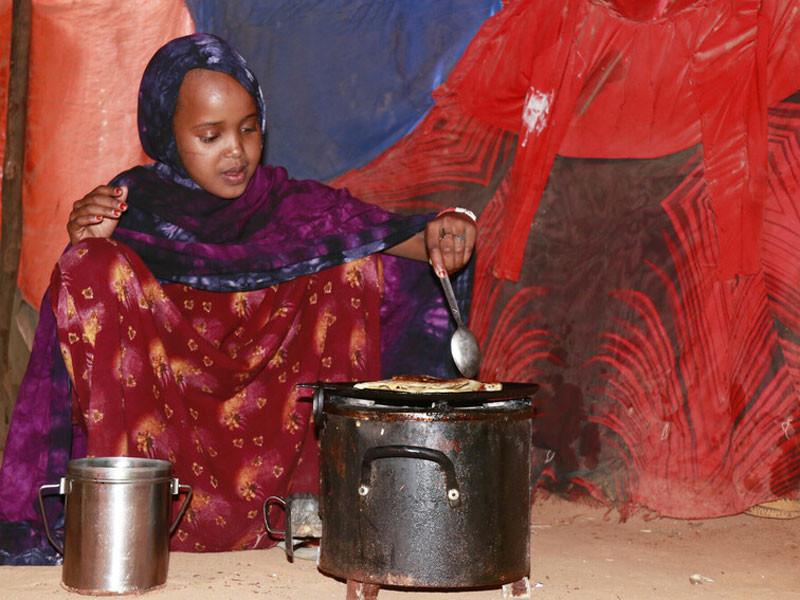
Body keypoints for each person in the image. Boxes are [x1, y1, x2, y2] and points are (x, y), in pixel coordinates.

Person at [0, 33, 476, 562]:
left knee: (353, 262)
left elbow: (382, 233)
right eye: (210, 135)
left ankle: (330, 501)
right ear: (166, 134)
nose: (236, 152)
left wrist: (446, 229)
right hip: (166, 441)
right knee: (87, 265)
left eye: (249, 130)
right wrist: (89, 242)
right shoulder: (130, 207)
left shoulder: (285, 205)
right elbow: (87, 294)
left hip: (276, 431)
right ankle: (122, 515)